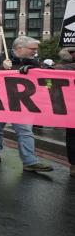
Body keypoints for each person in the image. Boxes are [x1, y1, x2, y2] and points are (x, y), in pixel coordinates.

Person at [0, 36, 51, 172]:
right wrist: (2, 68)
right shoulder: (0, 58)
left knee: (25, 131)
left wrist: (33, 72)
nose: (35, 51)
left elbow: (45, 81)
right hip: (1, 102)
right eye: (32, 49)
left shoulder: (34, 62)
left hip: (22, 103)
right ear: (20, 48)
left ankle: (30, 161)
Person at [54, 47, 75, 177]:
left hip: (69, 107)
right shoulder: (63, 68)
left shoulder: (60, 67)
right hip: (71, 107)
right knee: (72, 136)